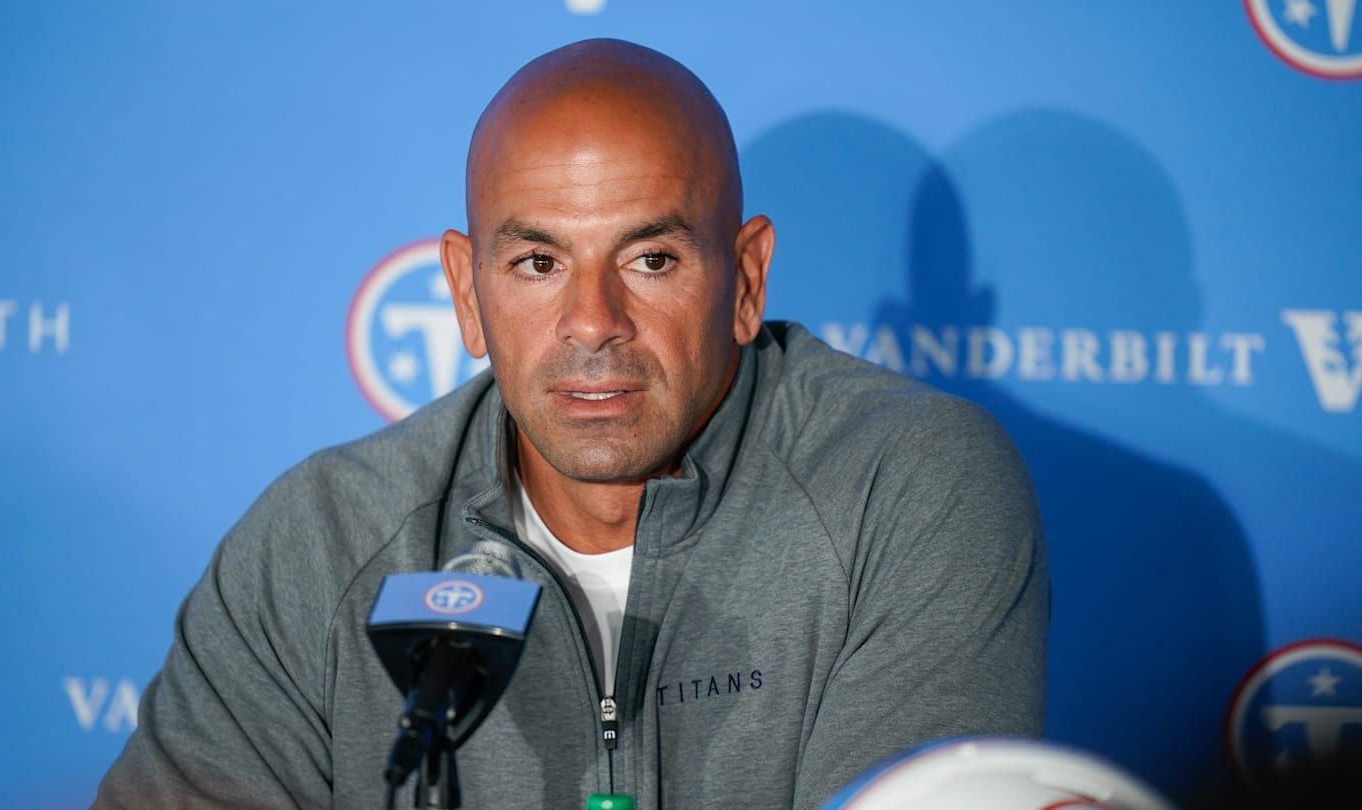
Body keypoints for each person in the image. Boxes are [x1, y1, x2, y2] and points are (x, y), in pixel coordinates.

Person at [94, 38, 1046, 809]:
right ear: (467, 292)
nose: (592, 322)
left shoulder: (906, 486)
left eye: (652, 260)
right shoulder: (319, 543)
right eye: (539, 263)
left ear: (746, 280)